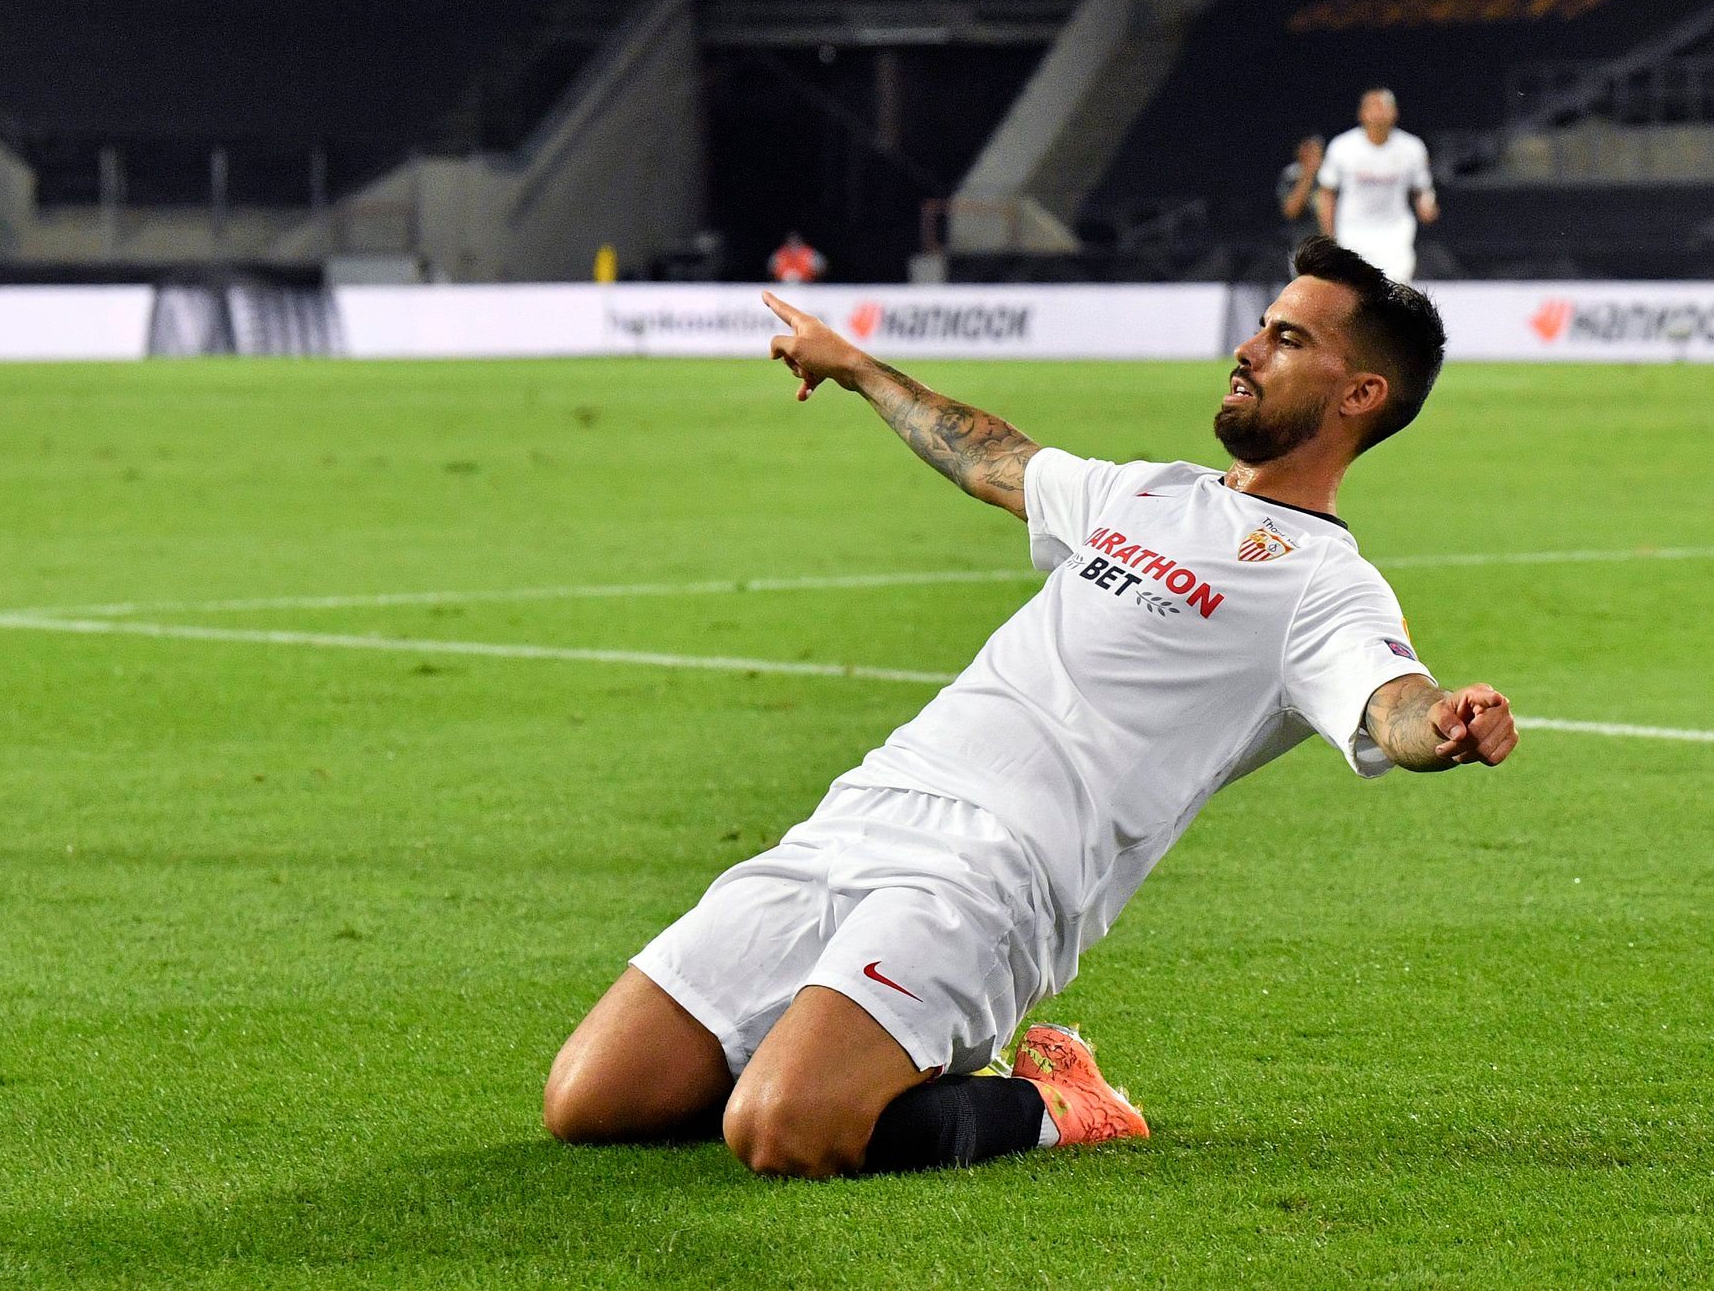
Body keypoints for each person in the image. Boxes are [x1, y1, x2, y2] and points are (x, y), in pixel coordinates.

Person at [544, 236, 1519, 1179]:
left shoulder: (1322, 584)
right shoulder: (1143, 491)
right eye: (1262, 326)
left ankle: (1055, 1104)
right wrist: (855, 368)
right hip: (868, 806)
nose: (1248, 347)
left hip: (997, 872)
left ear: (1359, 395)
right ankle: (836, 1051)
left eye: (1288, 339)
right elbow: (990, 456)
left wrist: (1443, 725)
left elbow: (1389, 699)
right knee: (591, 1101)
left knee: (783, 1131)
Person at [1316, 89, 1438, 284]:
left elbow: (1422, 188)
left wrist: (1426, 206)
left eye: (1384, 107)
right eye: (1372, 107)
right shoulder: (1342, 147)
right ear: (1361, 114)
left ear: (1395, 113)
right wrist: (1328, 237)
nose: (1378, 113)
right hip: (1352, 235)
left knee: (1395, 294)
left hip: (1395, 238)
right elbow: (1326, 192)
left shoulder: (1412, 148)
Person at [1277, 133, 1325, 253]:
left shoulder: (1332, 172)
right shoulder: (1291, 175)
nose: (1311, 154)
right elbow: (1291, 210)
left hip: (1336, 244)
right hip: (1305, 248)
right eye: (1307, 148)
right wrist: (1308, 174)